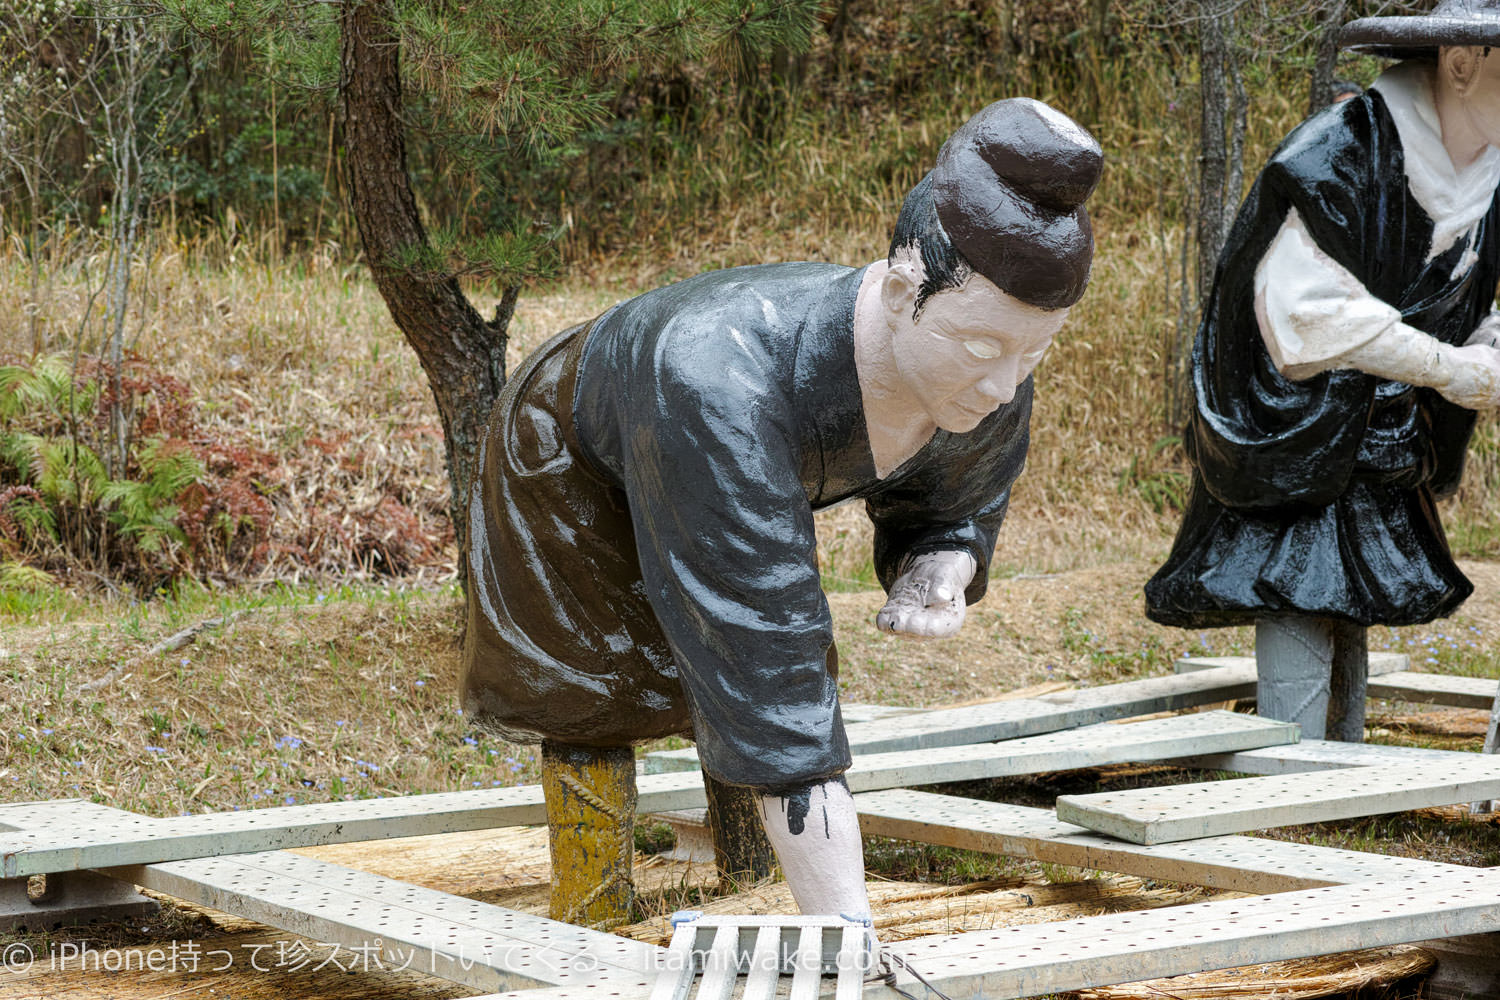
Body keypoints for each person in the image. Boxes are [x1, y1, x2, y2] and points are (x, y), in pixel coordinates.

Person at [460, 97, 1102, 930]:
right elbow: (764, 641)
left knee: (726, 682)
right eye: (981, 349)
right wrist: (846, 927)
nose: (1002, 385)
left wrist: (943, 560)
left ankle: (754, 877)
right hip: (573, 454)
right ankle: (593, 909)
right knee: (601, 685)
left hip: (705, 440)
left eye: (1032, 351)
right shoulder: (713, 378)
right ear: (904, 283)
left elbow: (957, 496)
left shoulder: (990, 360)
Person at [1146, 0, 1500, 743]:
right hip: (1295, 427)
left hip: (1385, 431)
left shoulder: (1492, 170)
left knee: (1352, 583)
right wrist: (1445, 367)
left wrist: (1487, 351)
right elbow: (1303, 313)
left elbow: (1479, 297)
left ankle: (1343, 763)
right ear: (1461, 65)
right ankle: (1291, 760)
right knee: (1298, 576)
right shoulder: (1339, 150)